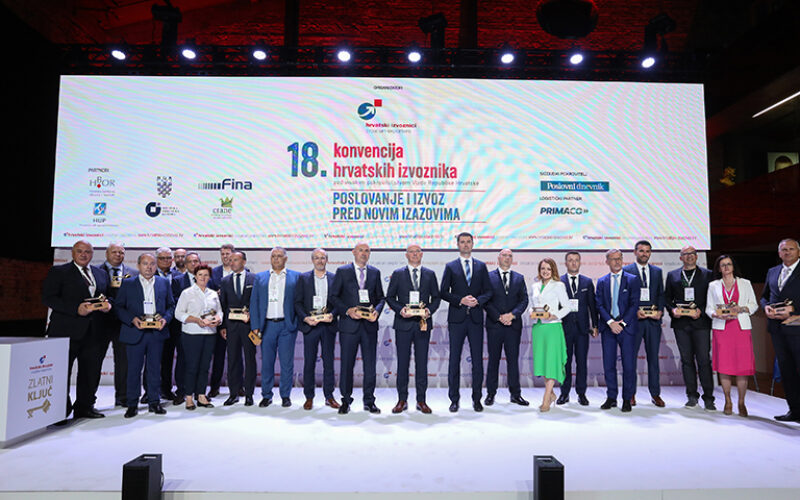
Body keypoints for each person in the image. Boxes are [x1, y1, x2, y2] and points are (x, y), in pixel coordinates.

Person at [42, 240, 112, 420]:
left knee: (90, 372)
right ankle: (59, 411)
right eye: (80, 251)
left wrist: (108, 305)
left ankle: (84, 407)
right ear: (73, 253)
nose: (83, 254)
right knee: (61, 373)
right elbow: (48, 298)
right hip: (65, 332)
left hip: (94, 332)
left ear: (92, 254)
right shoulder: (59, 271)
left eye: (87, 251)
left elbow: (107, 296)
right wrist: (76, 309)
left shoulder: (101, 273)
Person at [115, 253, 175, 418]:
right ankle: (132, 404)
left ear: (156, 266)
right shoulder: (128, 283)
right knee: (133, 370)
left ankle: (154, 402)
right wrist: (132, 319)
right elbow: (118, 306)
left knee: (155, 369)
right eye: (145, 263)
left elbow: (171, 305)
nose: (149, 267)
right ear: (138, 265)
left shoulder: (164, 282)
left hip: (156, 333)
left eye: (152, 264)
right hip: (135, 332)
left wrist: (165, 319)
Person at [330, 242, 386, 415]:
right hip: (349, 326)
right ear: (354, 252)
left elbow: (381, 298)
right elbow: (333, 297)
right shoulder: (342, 271)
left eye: (367, 251)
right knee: (347, 365)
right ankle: (345, 400)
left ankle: (369, 401)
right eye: (361, 250)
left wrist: (377, 311)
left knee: (370, 366)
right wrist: (347, 310)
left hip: (369, 326)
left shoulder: (375, 272)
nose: (364, 253)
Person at [440, 232, 492, 413]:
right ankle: (454, 400)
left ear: (472, 244)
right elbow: (443, 292)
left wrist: (478, 301)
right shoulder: (450, 266)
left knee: (477, 361)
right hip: (457, 320)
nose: (465, 244)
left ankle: (477, 399)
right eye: (462, 242)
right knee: (454, 360)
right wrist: (460, 300)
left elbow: (488, 291)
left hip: (476, 319)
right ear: (458, 245)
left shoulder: (481, 266)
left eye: (468, 242)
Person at [386, 244, 441, 413]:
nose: (415, 254)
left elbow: (436, 298)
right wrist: (400, 310)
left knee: (422, 364)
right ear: (406, 255)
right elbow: (390, 297)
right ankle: (402, 400)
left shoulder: (430, 274)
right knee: (402, 364)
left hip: (422, 324)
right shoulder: (398, 274)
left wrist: (428, 311)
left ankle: (421, 400)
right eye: (411, 252)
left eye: (417, 252)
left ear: (422, 254)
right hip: (403, 325)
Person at [665, 245, 716, 410]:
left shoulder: (708, 274)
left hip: (701, 323)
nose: (689, 256)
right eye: (685, 254)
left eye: (692, 253)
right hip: (681, 324)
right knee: (686, 361)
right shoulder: (672, 275)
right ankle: (692, 396)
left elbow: (713, 298)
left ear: (697, 256)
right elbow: (667, 298)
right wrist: (672, 310)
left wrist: (701, 310)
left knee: (703, 360)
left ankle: (709, 397)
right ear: (681, 258)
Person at [706, 255, 758, 417]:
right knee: (724, 367)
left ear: (733, 267)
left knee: (742, 367)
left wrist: (741, 309)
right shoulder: (713, 285)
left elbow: (754, 305)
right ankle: (728, 400)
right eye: (723, 265)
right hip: (722, 329)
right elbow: (709, 308)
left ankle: (741, 402)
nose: (726, 267)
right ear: (719, 268)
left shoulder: (745, 283)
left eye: (729, 264)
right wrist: (716, 314)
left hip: (740, 328)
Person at [250, 247, 299, 408]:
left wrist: (296, 322)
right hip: (267, 326)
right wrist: (255, 326)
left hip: (287, 326)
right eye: (273, 256)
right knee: (267, 363)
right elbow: (254, 303)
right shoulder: (260, 277)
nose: (276, 259)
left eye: (279, 256)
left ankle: (285, 395)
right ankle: (266, 395)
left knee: (286, 364)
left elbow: (299, 302)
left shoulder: (295, 277)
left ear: (286, 259)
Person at [295, 248, 340, 410]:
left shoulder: (335, 278)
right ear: (312, 260)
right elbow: (297, 302)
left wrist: (333, 314)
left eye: (323, 258)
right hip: (311, 326)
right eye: (317, 258)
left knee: (329, 363)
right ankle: (309, 397)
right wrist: (305, 318)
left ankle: (329, 396)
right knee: (309, 362)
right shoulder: (303, 278)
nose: (320, 261)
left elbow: (339, 301)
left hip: (328, 326)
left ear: (327, 260)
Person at [596, 249, 640, 412]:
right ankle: (611, 397)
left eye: (619, 258)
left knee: (629, 365)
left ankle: (627, 399)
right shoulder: (602, 281)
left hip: (626, 329)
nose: (617, 262)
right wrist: (610, 322)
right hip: (608, 328)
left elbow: (634, 303)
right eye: (613, 259)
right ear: (607, 261)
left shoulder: (632, 280)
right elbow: (599, 304)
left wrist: (622, 324)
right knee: (609, 365)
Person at [760, 238, 800, 422]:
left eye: (791, 249)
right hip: (777, 329)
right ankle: (795, 411)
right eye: (784, 250)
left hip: (797, 328)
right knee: (786, 371)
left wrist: (795, 310)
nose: (787, 252)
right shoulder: (773, 271)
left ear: (798, 252)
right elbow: (765, 297)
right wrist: (766, 307)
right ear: (779, 253)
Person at [623, 240, 666, 407]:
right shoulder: (627, 271)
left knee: (653, 359)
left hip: (653, 322)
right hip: (634, 322)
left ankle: (655, 394)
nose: (644, 254)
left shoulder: (657, 271)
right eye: (641, 251)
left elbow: (661, 294)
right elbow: (624, 297)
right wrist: (633, 313)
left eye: (647, 251)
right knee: (630, 359)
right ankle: (630, 393)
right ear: (635, 252)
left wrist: (660, 311)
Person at [484, 248, 529, 407]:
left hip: (513, 325)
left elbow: (524, 300)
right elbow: (486, 300)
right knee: (493, 360)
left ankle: (515, 395)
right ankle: (490, 394)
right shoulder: (488, 277)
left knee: (513, 361)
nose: (507, 258)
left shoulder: (519, 278)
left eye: (510, 256)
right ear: (498, 258)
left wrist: (512, 315)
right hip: (494, 325)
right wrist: (499, 317)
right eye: (504, 255)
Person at [174, 264, 221, 410]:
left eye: (206, 275)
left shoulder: (213, 294)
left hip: (209, 334)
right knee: (192, 366)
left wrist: (218, 319)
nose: (203, 277)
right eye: (200, 275)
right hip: (191, 334)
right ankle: (189, 397)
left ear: (209, 277)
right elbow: (178, 313)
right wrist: (196, 320)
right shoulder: (187, 293)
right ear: (195, 276)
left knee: (205, 367)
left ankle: (201, 395)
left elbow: (219, 311)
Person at [98, 242, 137, 407]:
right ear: (107, 253)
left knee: (124, 363)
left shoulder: (133, 273)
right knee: (94, 363)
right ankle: (87, 402)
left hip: (124, 323)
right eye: (114, 252)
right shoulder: (95, 271)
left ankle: (123, 397)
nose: (118, 255)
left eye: (121, 252)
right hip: (100, 324)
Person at [557, 251, 598, 406]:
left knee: (581, 363)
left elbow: (592, 306)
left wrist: (595, 325)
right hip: (564, 329)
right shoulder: (559, 282)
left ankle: (581, 393)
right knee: (565, 363)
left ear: (580, 263)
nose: (573, 263)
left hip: (582, 330)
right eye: (570, 260)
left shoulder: (587, 282)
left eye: (576, 260)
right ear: (566, 263)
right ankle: (564, 393)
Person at [530, 258, 569, 412]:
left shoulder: (558, 285)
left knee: (551, 362)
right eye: (543, 268)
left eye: (548, 269)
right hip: (539, 328)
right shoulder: (535, 286)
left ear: (553, 270)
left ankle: (546, 398)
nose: (545, 271)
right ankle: (551, 393)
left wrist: (555, 315)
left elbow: (567, 307)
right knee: (543, 362)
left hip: (553, 327)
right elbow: (532, 305)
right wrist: (531, 312)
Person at [219, 251, 257, 407]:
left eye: (235, 259)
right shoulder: (225, 280)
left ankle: (249, 394)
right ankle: (233, 393)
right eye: (230, 260)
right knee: (233, 360)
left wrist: (254, 319)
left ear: (244, 261)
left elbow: (258, 302)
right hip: (231, 326)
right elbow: (222, 304)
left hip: (249, 326)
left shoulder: (254, 279)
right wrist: (223, 326)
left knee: (250, 360)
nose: (232, 262)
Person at [155, 247, 183, 400]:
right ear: (156, 259)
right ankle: (149, 391)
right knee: (152, 358)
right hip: (154, 321)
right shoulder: (149, 274)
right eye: (162, 258)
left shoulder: (179, 276)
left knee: (168, 358)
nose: (166, 261)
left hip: (174, 323)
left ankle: (166, 389)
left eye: (168, 258)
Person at [208, 243, 236, 398]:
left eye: (228, 254)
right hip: (219, 321)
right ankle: (214, 387)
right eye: (223, 254)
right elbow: (207, 293)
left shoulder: (244, 271)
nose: (225, 256)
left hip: (238, 320)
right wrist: (216, 294)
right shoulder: (213, 273)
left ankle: (237, 386)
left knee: (236, 357)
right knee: (218, 357)